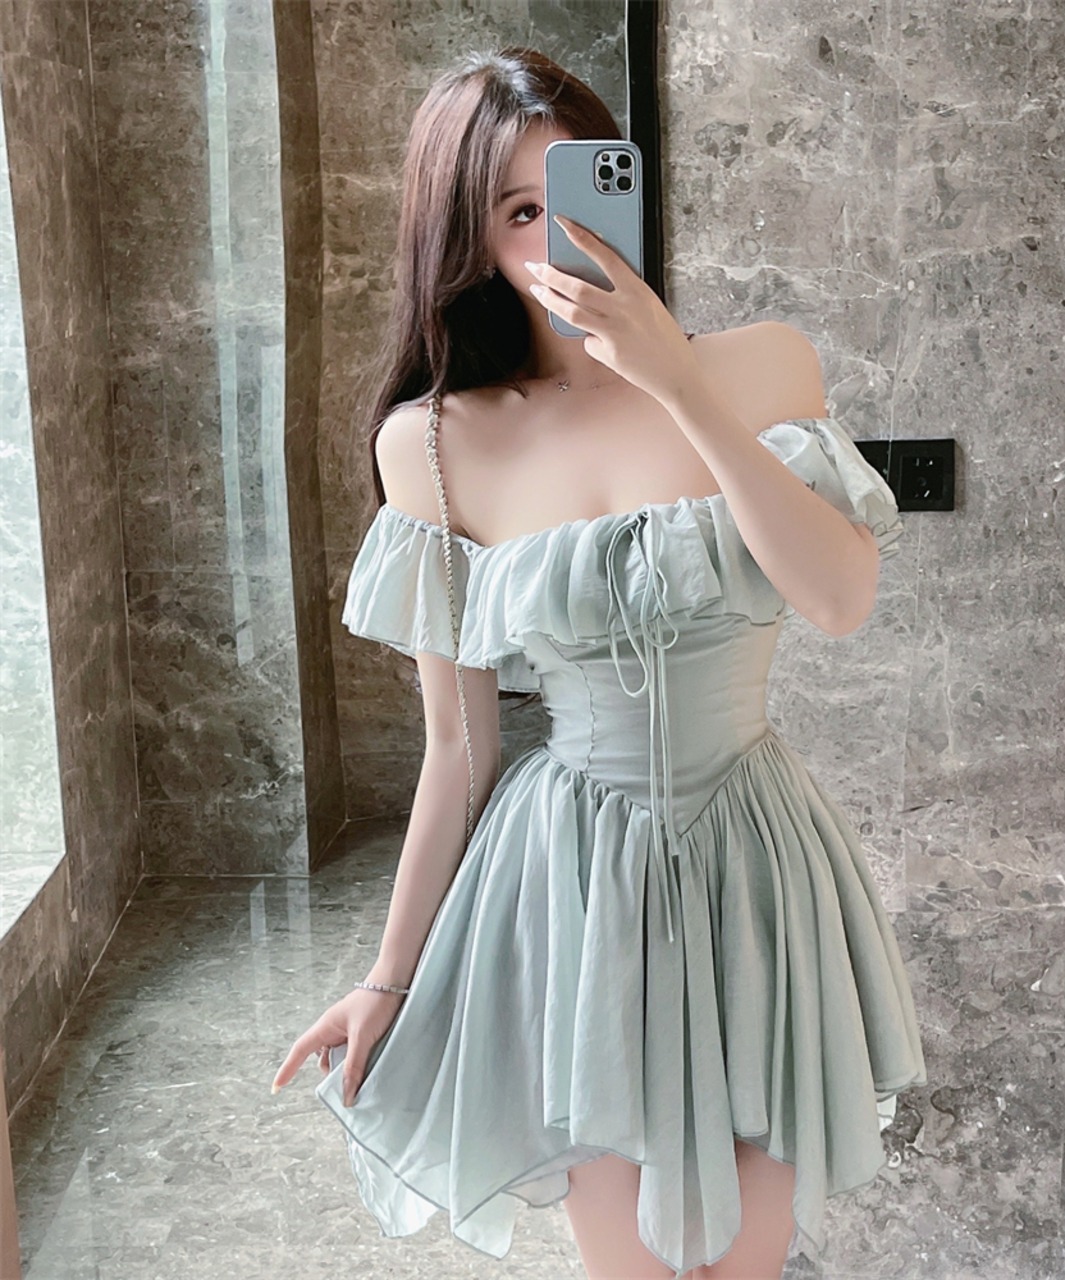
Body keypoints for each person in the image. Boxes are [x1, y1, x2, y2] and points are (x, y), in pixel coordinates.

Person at [271, 45, 926, 1280]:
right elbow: (458, 748)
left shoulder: (762, 366)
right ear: (468, 242)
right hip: (574, 885)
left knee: (746, 1262)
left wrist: (679, 384)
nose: (559, 236)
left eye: (578, 192)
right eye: (519, 211)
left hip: (754, 863)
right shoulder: (436, 444)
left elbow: (838, 599)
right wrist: (387, 979)